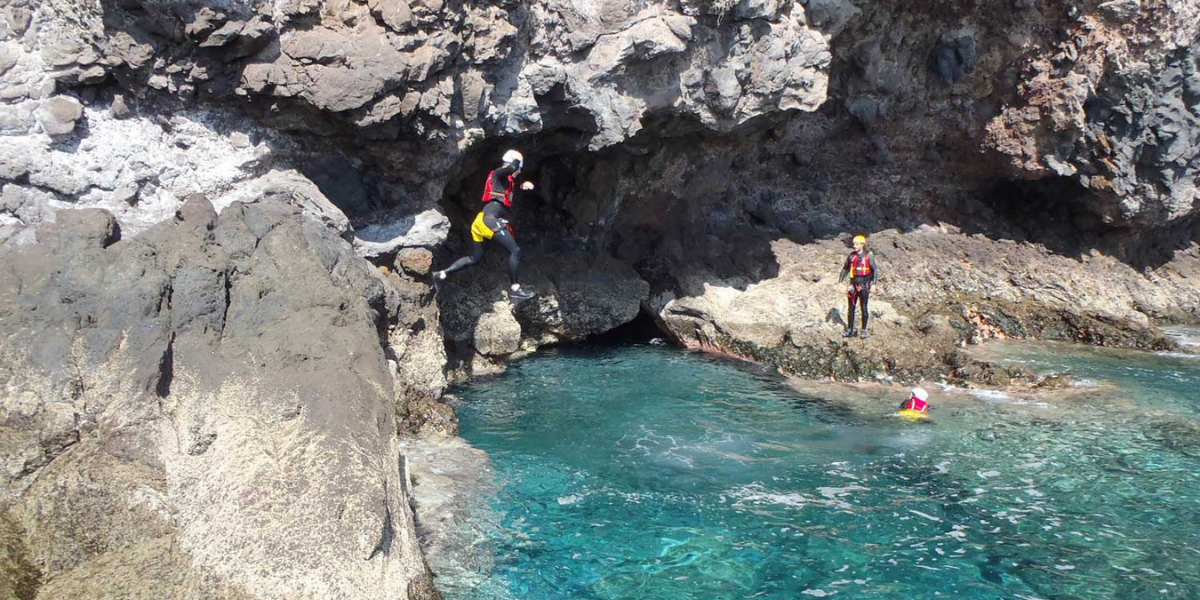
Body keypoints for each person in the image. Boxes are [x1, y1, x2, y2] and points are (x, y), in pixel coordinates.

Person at [434, 149, 536, 300]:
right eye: (520, 168)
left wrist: (523, 185)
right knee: (515, 250)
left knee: (474, 258)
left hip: (481, 221)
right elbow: (511, 169)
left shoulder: (506, 181)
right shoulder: (499, 173)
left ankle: (441, 274)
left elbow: (510, 188)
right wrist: (517, 158)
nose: (519, 171)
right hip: (488, 220)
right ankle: (515, 288)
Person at [839, 234, 879, 339]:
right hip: (853, 284)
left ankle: (864, 330)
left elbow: (874, 270)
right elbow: (845, 269)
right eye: (854, 244)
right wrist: (840, 282)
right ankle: (849, 329)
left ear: (862, 245)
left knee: (864, 307)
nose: (854, 246)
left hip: (864, 285)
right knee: (851, 308)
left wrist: (873, 284)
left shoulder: (868, 255)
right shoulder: (852, 256)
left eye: (856, 244)